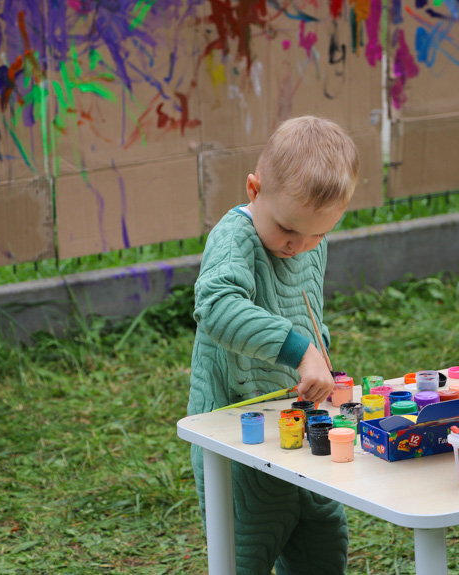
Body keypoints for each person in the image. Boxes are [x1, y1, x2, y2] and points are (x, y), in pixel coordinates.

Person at [187, 116, 359, 574]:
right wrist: (302, 351)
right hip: (238, 437)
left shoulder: (303, 239)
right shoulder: (234, 238)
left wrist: (320, 355)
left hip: (301, 425)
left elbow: (305, 310)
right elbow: (218, 307)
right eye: (288, 229)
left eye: (318, 234)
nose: (299, 246)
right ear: (254, 189)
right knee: (247, 550)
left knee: (323, 541)